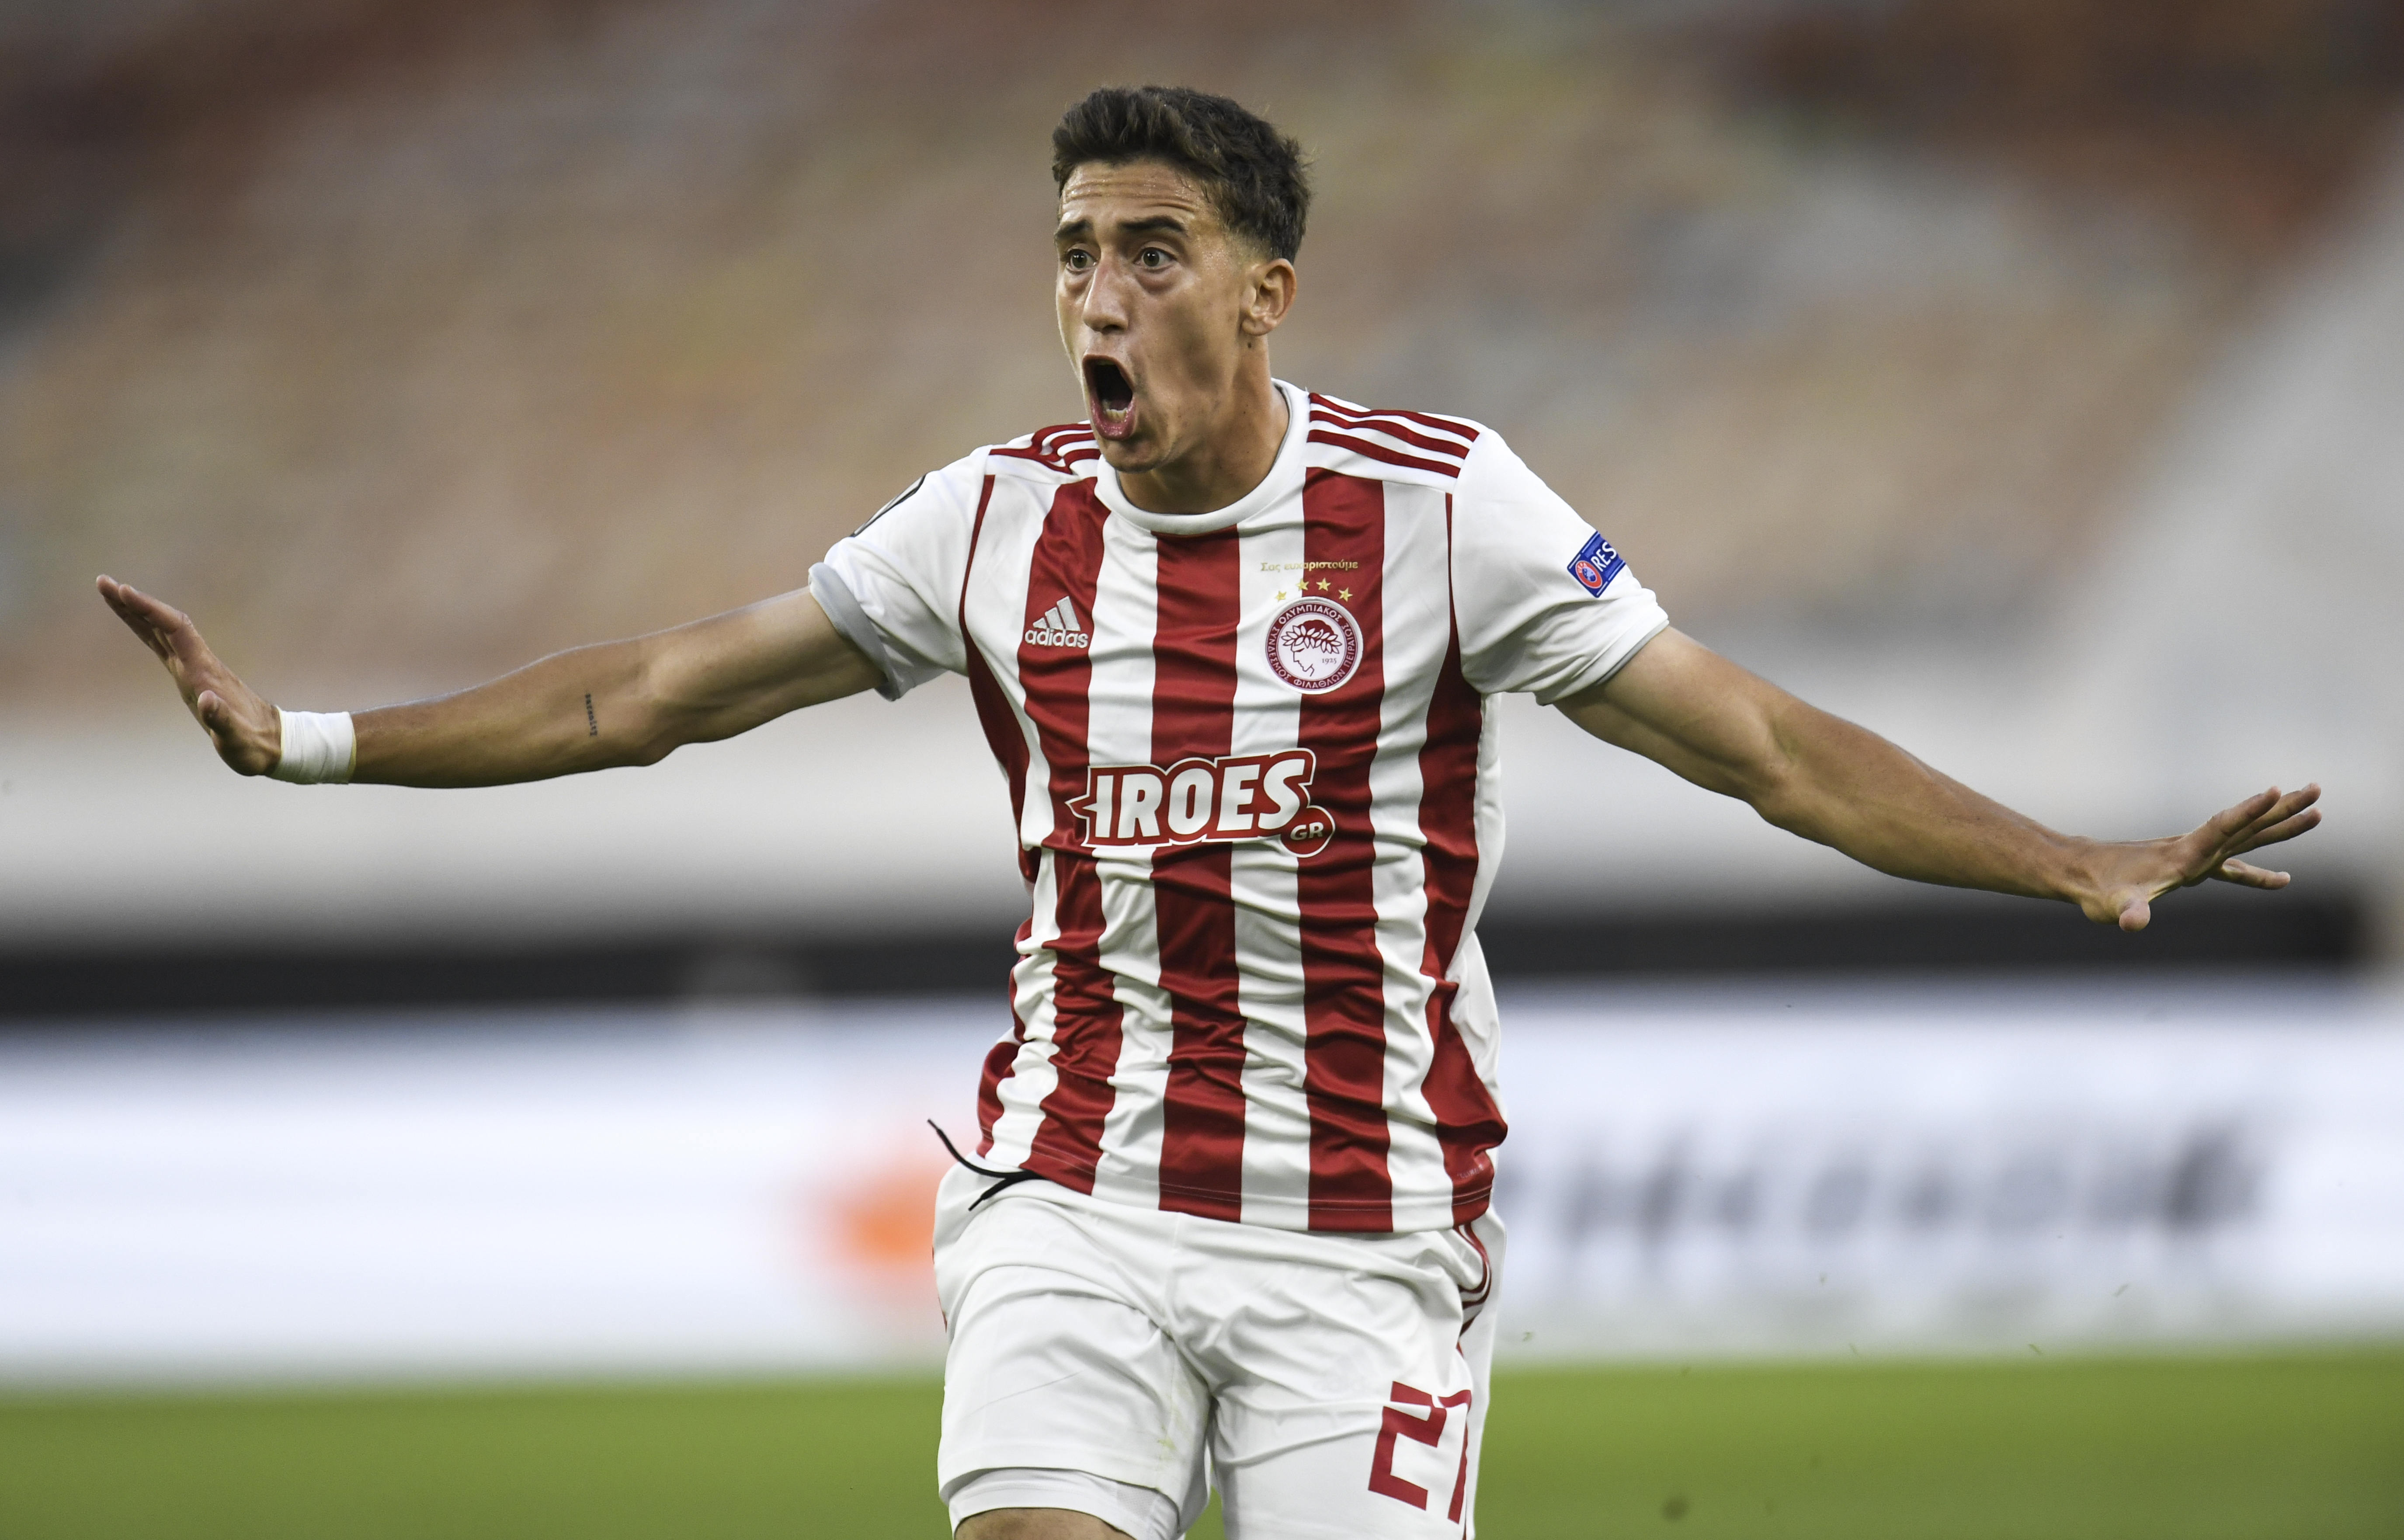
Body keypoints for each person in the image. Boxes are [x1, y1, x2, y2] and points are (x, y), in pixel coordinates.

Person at [98, 85, 2320, 1540]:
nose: (1097, 294)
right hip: (1072, 1195)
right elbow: (648, 692)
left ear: (1262, 295)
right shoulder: (989, 524)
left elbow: (1744, 736)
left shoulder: (1440, 511)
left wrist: (2072, 852)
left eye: (1149, 252)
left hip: (1365, 1227)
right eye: (1075, 250)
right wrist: (306, 737)